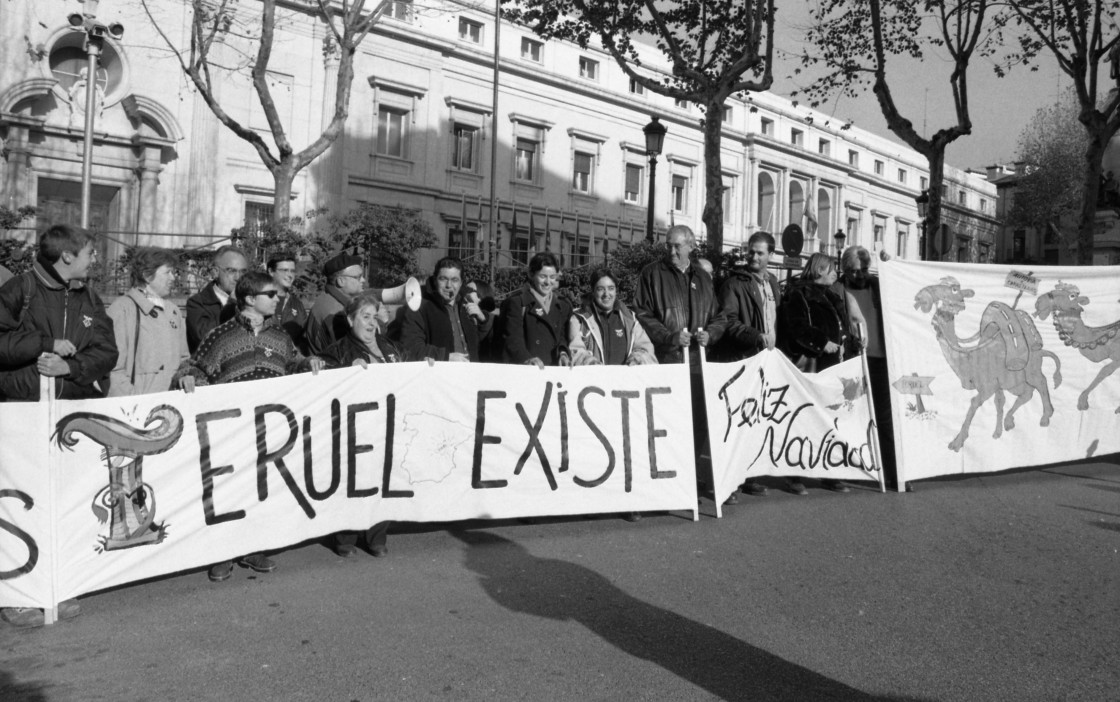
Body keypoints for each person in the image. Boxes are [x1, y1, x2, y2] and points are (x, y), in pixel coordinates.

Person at [0, 223, 117, 627]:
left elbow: (106, 351)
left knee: (65, 504)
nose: (94, 259)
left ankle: (56, 585)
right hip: (22, 416)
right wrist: (44, 345)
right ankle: (15, 595)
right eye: (89, 252)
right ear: (67, 256)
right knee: (19, 507)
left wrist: (72, 367)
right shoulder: (19, 290)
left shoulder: (89, 296)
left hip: (69, 417)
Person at [176, 271, 325, 582]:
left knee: (261, 489)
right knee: (228, 491)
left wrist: (307, 364)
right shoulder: (221, 337)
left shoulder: (280, 336)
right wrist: (189, 377)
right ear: (248, 299)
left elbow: (294, 362)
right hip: (230, 433)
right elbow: (195, 366)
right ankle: (223, 553)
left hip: (269, 432)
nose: (278, 298)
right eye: (270, 294)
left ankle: (254, 547)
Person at [632, 225, 726, 502]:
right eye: (668, 246)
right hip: (667, 361)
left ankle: (690, 476)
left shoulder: (703, 277)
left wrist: (712, 334)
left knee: (696, 422)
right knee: (665, 423)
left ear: (691, 246)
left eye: (677, 246)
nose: (671, 251)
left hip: (698, 362)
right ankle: (661, 480)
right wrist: (669, 337)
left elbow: (719, 316)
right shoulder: (652, 273)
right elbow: (641, 312)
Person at [319, 291, 414, 558]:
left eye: (375, 317)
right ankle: (345, 536)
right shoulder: (337, 351)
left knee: (382, 481)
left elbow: (410, 371)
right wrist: (344, 372)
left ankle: (376, 536)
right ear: (350, 320)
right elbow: (322, 378)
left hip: (387, 425)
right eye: (364, 316)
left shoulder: (390, 348)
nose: (371, 323)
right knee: (352, 482)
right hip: (354, 430)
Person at [778, 252, 862, 495]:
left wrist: (853, 344)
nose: (836, 273)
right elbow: (796, 327)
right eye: (831, 268)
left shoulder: (832, 296)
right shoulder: (798, 294)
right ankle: (793, 473)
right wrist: (821, 342)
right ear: (819, 270)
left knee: (830, 420)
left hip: (832, 367)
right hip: (811, 367)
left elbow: (842, 328)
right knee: (803, 419)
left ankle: (828, 470)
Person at [713, 232, 781, 498]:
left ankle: (749, 475)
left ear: (770, 255)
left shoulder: (773, 283)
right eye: (751, 251)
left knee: (757, 419)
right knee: (735, 423)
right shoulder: (734, 284)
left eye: (760, 253)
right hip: (742, 359)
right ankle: (728, 482)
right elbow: (728, 321)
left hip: (766, 361)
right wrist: (756, 336)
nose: (754, 257)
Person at [832, 245, 900, 490]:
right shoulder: (837, 290)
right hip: (852, 361)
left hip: (881, 360)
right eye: (852, 271)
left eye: (862, 270)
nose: (858, 276)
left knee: (885, 418)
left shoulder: (878, 285)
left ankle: (895, 473)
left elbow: (903, 291)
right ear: (844, 270)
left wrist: (891, 263)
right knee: (850, 416)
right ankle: (848, 468)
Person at [106, 247, 189, 397]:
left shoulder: (173, 311)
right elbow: (112, 368)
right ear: (146, 275)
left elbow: (184, 359)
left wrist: (185, 377)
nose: (173, 278)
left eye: (173, 272)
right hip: (136, 409)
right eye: (167, 272)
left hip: (172, 408)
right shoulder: (122, 310)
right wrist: (132, 401)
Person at [395, 257, 482, 362]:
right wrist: (445, 357)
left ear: (461, 283)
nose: (448, 285)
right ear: (435, 280)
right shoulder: (418, 306)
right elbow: (410, 347)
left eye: (454, 280)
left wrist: (483, 320)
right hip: (438, 375)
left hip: (469, 374)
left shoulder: (467, 302)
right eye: (443, 279)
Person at [568, 268, 657, 367]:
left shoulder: (630, 319)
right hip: (593, 380)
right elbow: (575, 351)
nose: (606, 294)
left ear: (616, 291)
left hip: (624, 381)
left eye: (611, 288)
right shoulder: (579, 319)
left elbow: (645, 349)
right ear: (593, 291)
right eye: (600, 289)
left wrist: (637, 359)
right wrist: (590, 363)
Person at [500, 252, 572, 367]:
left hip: (553, 372)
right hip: (528, 371)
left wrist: (563, 353)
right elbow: (513, 339)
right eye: (543, 276)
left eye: (552, 277)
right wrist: (526, 359)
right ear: (531, 274)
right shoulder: (517, 303)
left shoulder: (563, 306)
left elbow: (562, 337)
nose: (548, 282)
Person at [185, 245, 247, 353]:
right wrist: (231, 306)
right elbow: (202, 337)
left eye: (242, 272)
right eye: (231, 271)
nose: (238, 277)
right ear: (215, 272)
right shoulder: (198, 303)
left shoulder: (251, 300)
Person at [305, 252, 364, 355]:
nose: (363, 280)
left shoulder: (329, 300)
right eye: (358, 277)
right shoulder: (335, 314)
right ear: (341, 281)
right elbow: (349, 355)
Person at [268, 252, 308, 353]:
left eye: (292, 271)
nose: (290, 275)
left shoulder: (297, 304)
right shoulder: (259, 300)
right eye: (284, 270)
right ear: (271, 271)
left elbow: (303, 340)